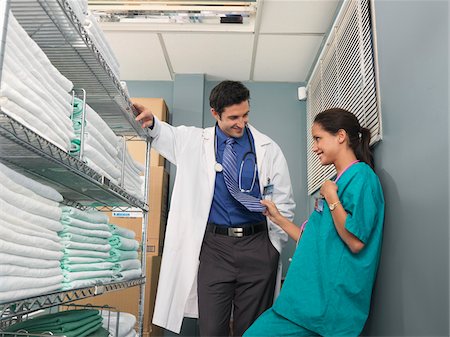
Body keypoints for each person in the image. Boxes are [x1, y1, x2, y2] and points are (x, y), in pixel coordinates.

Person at [133, 80, 295, 336]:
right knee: (210, 329)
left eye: (245, 115)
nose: (241, 123)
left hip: (258, 245)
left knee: (252, 330)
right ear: (215, 113)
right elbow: (166, 135)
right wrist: (152, 122)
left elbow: (284, 201)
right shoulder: (194, 141)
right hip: (214, 248)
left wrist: (273, 247)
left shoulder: (267, 148)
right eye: (233, 117)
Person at [244, 108, 385, 337]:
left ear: (340, 136)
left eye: (318, 138)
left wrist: (331, 197)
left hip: (327, 304)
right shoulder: (335, 181)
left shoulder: (361, 177)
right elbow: (314, 238)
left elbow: (356, 241)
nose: (314, 147)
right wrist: (277, 217)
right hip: (305, 301)